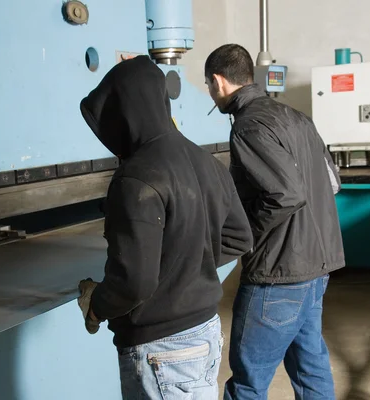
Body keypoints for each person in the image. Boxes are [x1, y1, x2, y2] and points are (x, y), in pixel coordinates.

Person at [76, 55, 254, 399]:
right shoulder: (206, 160)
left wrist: (96, 304)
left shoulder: (136, 177)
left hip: (161, 350)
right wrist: (187, 262)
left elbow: (133, 283)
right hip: (204, 332)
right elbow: (239, 237)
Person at [204, 43, 345, 399]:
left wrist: (242, 237)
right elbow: (332, 181)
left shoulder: (248, 127)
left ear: (218, 82)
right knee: (311, 370)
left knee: (247, 385)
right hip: (316, 269)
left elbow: (285, 195)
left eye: (208, 86)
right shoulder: (297, 117)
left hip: (278, 276)